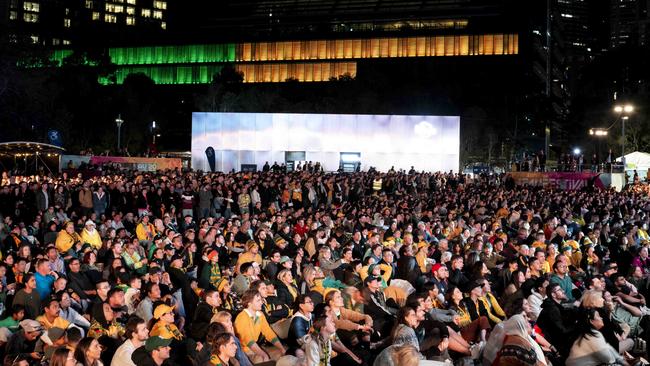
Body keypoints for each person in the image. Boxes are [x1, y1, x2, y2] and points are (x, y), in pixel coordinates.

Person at [233, 290, 285, 362]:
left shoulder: (260, 314)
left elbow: (268, 332)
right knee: (262, 359)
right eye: (258, 300)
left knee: (282, 354)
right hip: (244, 352)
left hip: (255, 348)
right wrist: (263, 354)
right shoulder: (242, 317)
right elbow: (248, 341)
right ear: (249, 303)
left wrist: (281, 348)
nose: (261, 302)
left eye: (261, 300)